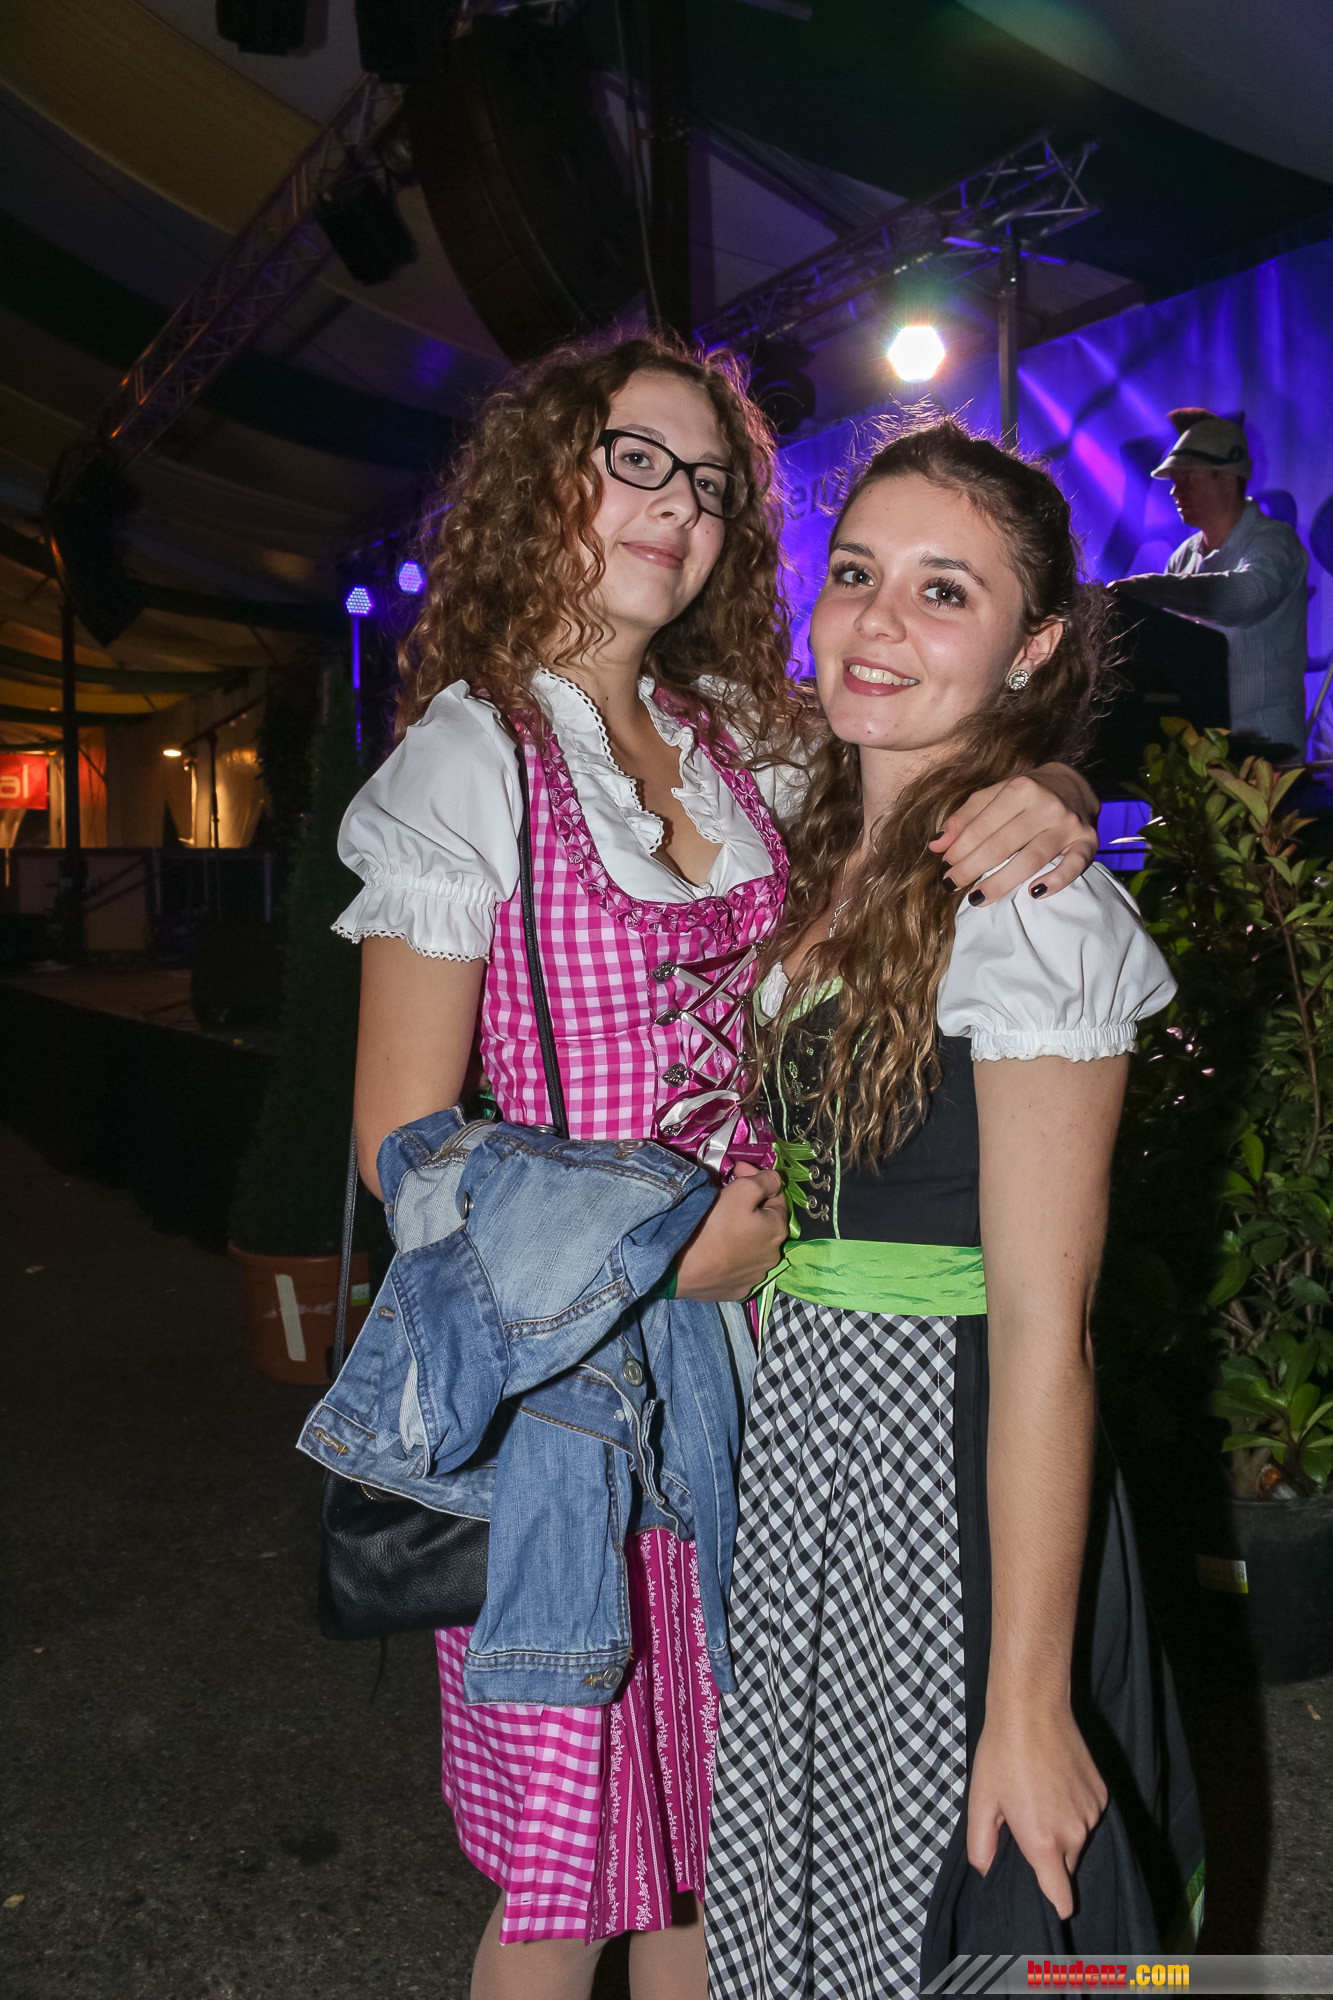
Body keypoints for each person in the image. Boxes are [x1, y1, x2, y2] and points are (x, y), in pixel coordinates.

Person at [332, 337, 1101, 2000]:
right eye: (631, 458)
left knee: (714, 1848)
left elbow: (944, 749)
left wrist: (1054, 785)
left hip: (778, 1375)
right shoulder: (469, 763)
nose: (672, 507)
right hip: (581, 1386)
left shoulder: (740, 738)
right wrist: (664, 1255)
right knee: (567, 1880)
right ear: (540, 475)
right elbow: (401, 1147)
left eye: (705, 481)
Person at [706, 418, 1198, 1999]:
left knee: (943, 1891)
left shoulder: (1032, 911)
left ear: (1031, 645)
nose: (876, 622)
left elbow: (1046, 1329)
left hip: (944, 1451)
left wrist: (1030, 1699)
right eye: (855, 573)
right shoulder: (823, 837)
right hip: (811, 1437)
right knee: (817, 1876)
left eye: (944, 592)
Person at [1110, 408, 1309, 758]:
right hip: (1198, 754)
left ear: (1228, 479)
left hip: (1265, 754)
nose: (1174, 491)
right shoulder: (1183, 557)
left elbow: (1246, 596)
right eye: (1174, 481)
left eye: (1187, 479)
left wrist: (1146, 587)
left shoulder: (1275, 541)